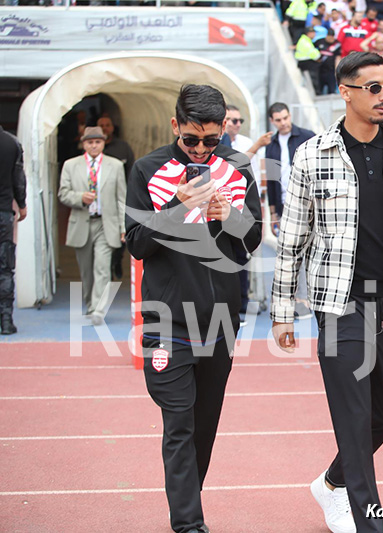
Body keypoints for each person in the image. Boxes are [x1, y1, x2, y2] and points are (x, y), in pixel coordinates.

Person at [271, 52, 383, 533]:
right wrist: (283, 309)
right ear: (346, 92)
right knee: (353, 418)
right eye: (373, 87)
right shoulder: (313, 155)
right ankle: (367, 522)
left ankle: (331, 482)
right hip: (340, 303)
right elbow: (293, 239)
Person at [125, 84, 262, 533]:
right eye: (191, 139)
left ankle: (187, 502)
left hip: (221, 320)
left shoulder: (238, 168)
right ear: (175, 126)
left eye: (211, 140)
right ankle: (188, 523)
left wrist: (230, 216)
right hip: (166, 321)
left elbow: (253, 237)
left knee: (204, 427)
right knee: (179, 423)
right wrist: (175, 204)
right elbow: (137, 244)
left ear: (223, 128)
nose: (201, 150)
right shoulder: (147, 169)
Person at [58, 126, 126, 326]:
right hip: (82, 221)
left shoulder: (115, 165)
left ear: (104, 143)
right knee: (86, 270)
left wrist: (123, 227)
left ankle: (99, 309)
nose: (94, 146)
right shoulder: (71, 165)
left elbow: (121, 198)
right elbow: (63, 193)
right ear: (83, 144)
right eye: (90, 142)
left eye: (97, 142)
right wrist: (80, 198)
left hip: (106, 223)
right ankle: (90, 305)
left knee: (102, 267)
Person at [266, 102, 315, 319]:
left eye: (285, 118)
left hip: (309, 204)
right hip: (285, 206)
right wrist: (273, 213)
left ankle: (306, 298)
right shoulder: (271, 145)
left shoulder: (307, 136)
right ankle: (297, 300)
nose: (283, 123)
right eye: (278, 120)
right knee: (290, 254)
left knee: (309, 252)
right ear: (272, 121)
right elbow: (271, 180)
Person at [224, 104, 271, 319]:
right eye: (232, 120)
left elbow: (257, 171)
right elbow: (234, 164)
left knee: (243, 254)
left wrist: (260, 200)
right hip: (222, 205)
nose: (237, 124)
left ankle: (243, 300)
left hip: (244, 205)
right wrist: (257, 145)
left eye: (239, 120)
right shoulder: (216, 143)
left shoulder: (245, 142)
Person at [96, 115, 135, 280]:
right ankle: (107, 270)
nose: (105, 128)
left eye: (107, 125)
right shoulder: (94, 148)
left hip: (120, 197)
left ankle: (117, 260)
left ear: (113, 127)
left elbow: (131, 170)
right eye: (101, 125)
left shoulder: (123, 148)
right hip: (99, 201)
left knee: (121, 234)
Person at [0, 125, 27, 335]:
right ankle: (6, 320)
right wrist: (22, 203)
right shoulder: (11, 143)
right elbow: (19, 179)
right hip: (3, 214)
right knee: (5, 267)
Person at [315, 28, 342, 94]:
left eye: (332, 37)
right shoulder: (320, 41)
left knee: (332, 90)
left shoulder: (337, 44)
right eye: (329, 37)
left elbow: (337, 57)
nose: (330, 39)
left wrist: (336, 70)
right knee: (318, 89)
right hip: (320, 69)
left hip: (330, 70)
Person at [295, 26, 322, 93]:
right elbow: (315, 55)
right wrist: (318, 57)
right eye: (313, 32)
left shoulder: (305, 40)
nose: (315, 34)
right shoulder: (305, 42)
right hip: (307, 63)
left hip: (304, 63)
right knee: (313, 80)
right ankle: (316, 92)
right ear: (309, 33)